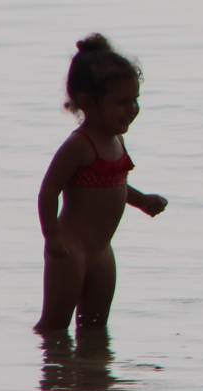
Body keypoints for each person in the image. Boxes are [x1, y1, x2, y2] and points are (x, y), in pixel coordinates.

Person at [34, 35, 168, 334]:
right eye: (122, 102)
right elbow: (48, 190)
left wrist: (142, 199)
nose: (131, 109)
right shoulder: (80, 144)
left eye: (135, 100)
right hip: (70, 250)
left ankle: (92, 377)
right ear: (88, 102)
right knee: (54, 325)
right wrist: (51, 236)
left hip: (102, 251)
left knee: (95, 327)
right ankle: (52, 373)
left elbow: (113, 184)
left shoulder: (116, 140)